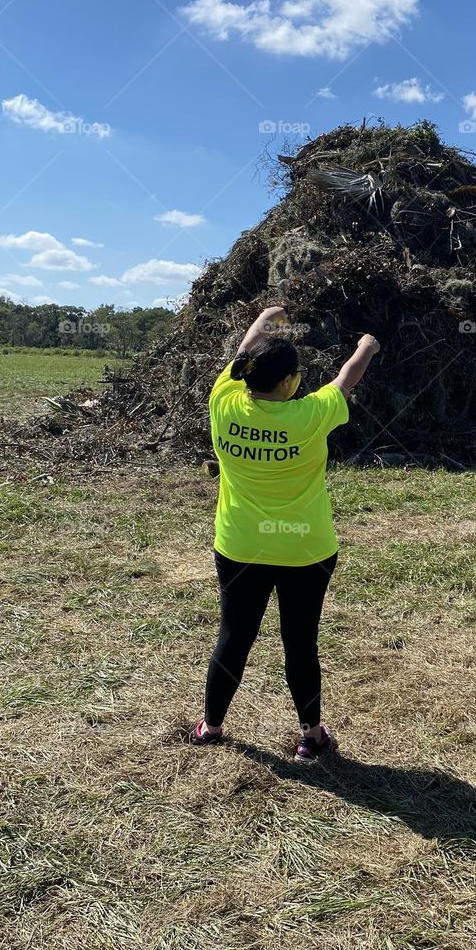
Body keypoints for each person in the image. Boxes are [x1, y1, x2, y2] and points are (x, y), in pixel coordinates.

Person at [188, 305, 380, 762]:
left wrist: (266, 317)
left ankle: (211, 728)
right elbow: (346, 379)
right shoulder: (311, 414)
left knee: (233, 636)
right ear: (291, 382)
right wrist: (367, 346)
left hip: (240, 546)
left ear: (245, 375)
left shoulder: (224, 400)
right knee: (300, 640)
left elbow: (242, 352)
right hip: (305, 548)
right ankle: (311, 736)